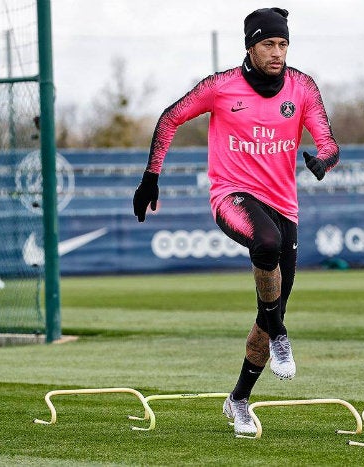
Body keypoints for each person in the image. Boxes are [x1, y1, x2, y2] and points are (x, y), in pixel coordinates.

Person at [132, 7, 339, 436]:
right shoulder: (221, 87)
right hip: (232, 196)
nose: (277, 52)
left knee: (268, 311)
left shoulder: (302, 88)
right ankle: (281, 334)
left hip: (285, 207)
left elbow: (329, 141)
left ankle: (239, 400)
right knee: (264, 244)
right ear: (251, 46)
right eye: (269, 44)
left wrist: (322, 160)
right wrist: (152, 175)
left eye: (283, 44)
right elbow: (170, 117)